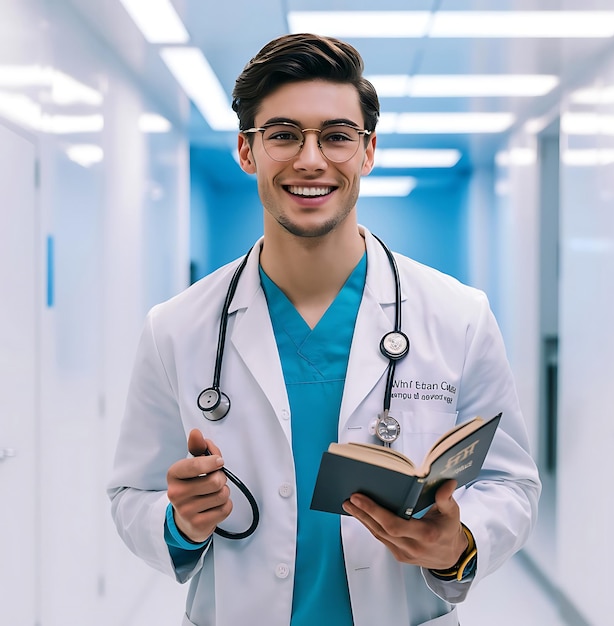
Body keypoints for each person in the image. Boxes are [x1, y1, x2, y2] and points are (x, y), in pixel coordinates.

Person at [108, 33, 541, 626]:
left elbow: (511, 484)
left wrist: (459, 544)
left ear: (366, 152)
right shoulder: (177, 327)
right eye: (284, 134)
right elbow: (131, 495)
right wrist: (179, 523)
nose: (311, 160)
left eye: (336, 136)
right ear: (246, 150)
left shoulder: (458, 315)